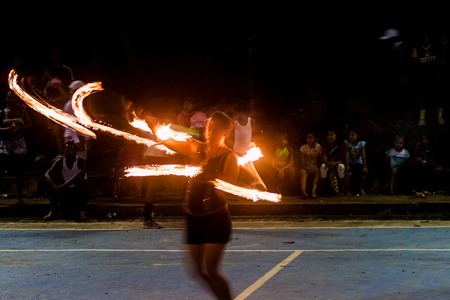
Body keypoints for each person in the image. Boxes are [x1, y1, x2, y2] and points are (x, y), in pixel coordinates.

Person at [144, 111, 238, 300]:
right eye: (209, 128)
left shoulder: (229, 158)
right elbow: (169, 142)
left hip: (215, 218)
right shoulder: (197, 148)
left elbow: (225, 189)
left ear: (225, 132)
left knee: (212, 271)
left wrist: (209, 175)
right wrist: (153, 124)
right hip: (193, 218)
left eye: (216, 130)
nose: (210, 133)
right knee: (198, 271)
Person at [0, 91, 32, 205]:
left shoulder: (21, 111)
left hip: (19, 142)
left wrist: (19, 129)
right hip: (5, 143)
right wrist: (7, 129)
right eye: (9, 97)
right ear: (6, 99)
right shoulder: (2, 112)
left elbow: (29, 125)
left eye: (13, 97)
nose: (11, 99)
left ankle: (19, 197)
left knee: (19, 170)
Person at [44, 140, 88, 221]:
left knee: (82, 182)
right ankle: (54, 210)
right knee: (48, 182)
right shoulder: (60, 161)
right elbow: (47, 174)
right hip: (65, 190)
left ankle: (81, 211)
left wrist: (64, 185)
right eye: (67, 151)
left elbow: (81, 174)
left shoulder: (81, 161)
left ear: (75, 151)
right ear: (64, 151)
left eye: (72, 151)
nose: (69, 153)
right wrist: (54, 185)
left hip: (76, 190)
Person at [411, 31, 442, 126]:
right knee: (423, 98)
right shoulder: (416, 48)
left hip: (434, 77)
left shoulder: (435, 47)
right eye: (423, 37)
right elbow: (414, 64)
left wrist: (439, 72)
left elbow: (438, 61)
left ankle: (440, 117)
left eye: (427, 37)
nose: (425, 39)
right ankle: (422, 118)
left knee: (439, 97)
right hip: (423, 79)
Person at [320, 129, 345, 196]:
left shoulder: (341, 144)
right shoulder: (325, 145)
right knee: (323, 167)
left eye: (331, 135)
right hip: (328, 163)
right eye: (328, 135)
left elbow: (342, 159)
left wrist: (334, 163)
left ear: (336, 136)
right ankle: (323, 188)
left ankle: (341, 188)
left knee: (341, 167)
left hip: (337, 163)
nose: (329, 137)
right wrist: (327, 162)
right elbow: (324, 155)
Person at [344, 128, 368, 196]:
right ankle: (347, 189)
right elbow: (347, 153)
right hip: (351, 163)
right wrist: (347, 165)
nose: (350, 137)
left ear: (358, 136)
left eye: (353, 135)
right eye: (349, 135)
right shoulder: (347, 143)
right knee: (348, 172)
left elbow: (363, 154)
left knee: (363, 172)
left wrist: (365, 166)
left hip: (359, 163)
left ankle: (360, 188)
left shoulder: (361, 143)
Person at [299, 131, 322, 199]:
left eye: (311, 138)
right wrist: (305, 167)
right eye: (307, 138)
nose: (308, 140)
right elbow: (302, 159)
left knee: (317, 174)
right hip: (306, 166)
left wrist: (316, 166)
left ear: (315, 139)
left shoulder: (319, 147)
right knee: (303, 174)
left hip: (315, 166)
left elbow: (320, 160)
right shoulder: (303, 147)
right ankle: (304, 192)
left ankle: (313, 192)